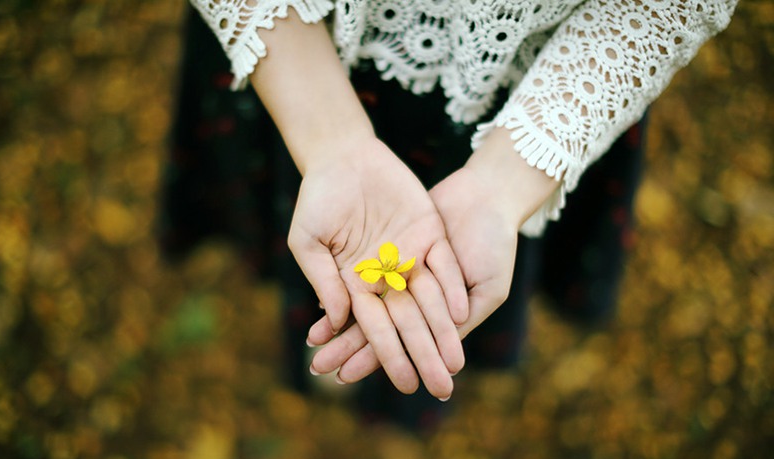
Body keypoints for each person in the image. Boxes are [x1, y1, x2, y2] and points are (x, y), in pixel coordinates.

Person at [160, 0, 737, 428]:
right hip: (296, 55)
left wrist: (506, 182)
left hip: (529, 98)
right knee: (310, 238)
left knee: (435, 298)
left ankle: (375, 390)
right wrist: (330, 138)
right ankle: (322, 353)